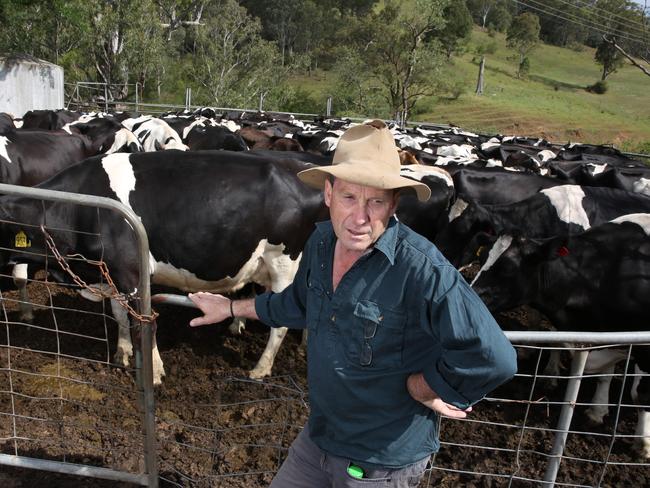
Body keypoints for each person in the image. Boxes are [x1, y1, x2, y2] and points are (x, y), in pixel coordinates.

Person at [188, 120, 517, 488]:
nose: (359, 218)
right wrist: (230, 309)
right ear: (328, 193)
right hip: (319, 437)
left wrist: (426, 387)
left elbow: (493, 356)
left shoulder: (421, 268)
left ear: (394, 204)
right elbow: (296, 305)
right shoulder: (321, 244)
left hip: (379, 462)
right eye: (348, 197)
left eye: (375, 201)